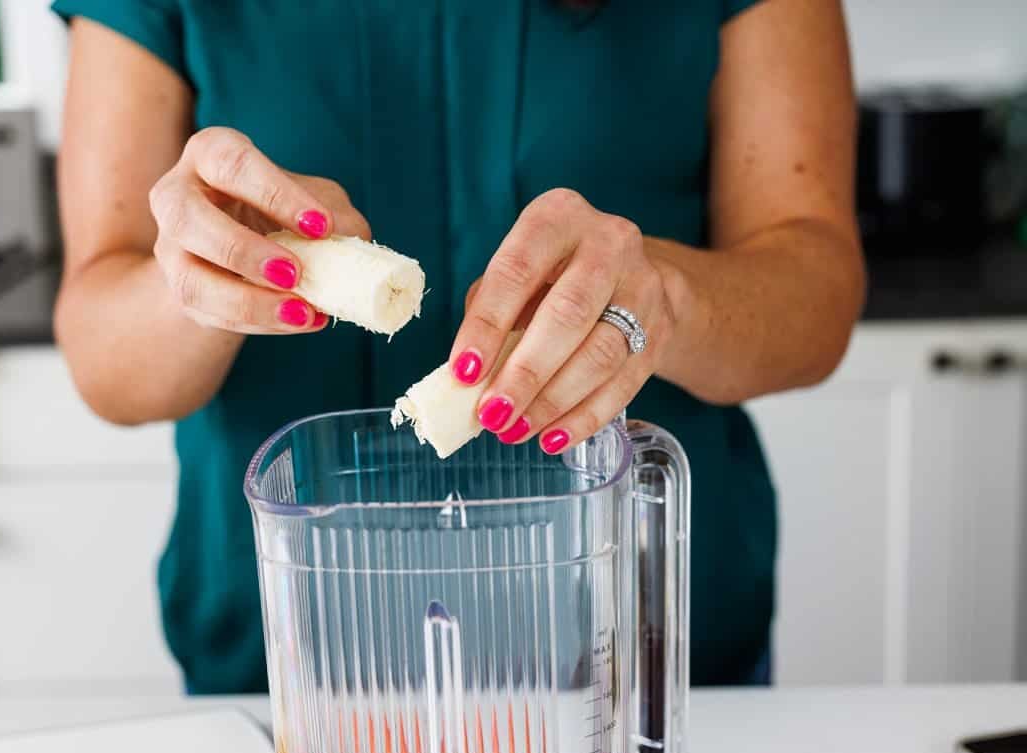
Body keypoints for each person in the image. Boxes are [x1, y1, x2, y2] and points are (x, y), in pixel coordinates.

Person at [50, 0, 864, 693]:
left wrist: (666, 297)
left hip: (635, 655)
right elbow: (105, 361)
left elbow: (816, 295)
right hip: (296, 665)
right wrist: (212, 269)